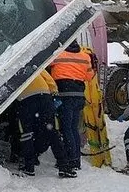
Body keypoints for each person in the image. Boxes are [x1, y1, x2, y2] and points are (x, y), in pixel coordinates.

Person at [16, 68, 74, 178]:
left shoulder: (10, 67)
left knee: (26, 133)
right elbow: (49, 79)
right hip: (45, 96)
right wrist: (53, 93)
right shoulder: (33, 65)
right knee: (52, 132)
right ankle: (64, 166)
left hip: (26, 98)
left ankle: (29, 167)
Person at [48, 40, 95, 171]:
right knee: (73, 128)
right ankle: (76, 160)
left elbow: (45, 66)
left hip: (65, 94)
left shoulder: (58, 54)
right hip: (79, 95)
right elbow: (90, 76)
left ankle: (69, 160)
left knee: (66, 128)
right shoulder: (85, 56)